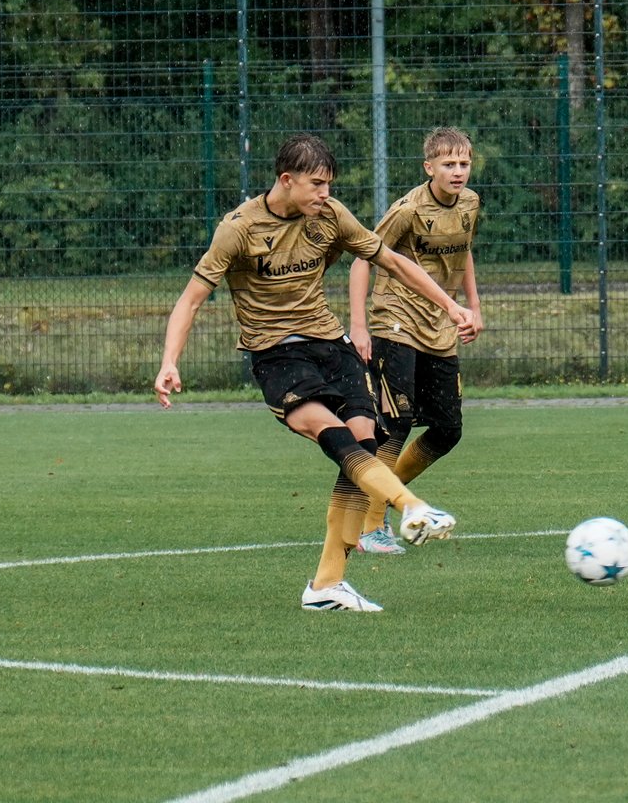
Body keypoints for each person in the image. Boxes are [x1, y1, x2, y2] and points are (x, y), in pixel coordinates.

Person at [154, 133, 478, 612]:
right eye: (317, 184)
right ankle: (409, 505)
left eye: (329, 184)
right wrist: (168, 361)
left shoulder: (330, 215)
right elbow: (192, 297)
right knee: (334, 435)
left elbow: (391, 261)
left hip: (330, 344)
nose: (325, 194)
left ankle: (326, 586)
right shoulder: (238, 228)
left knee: (365, 441)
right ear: (286, 180)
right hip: (276, 352)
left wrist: (451, 305)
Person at [348, 126, 482, 554]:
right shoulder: (408, 209)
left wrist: (473, 309)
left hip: (440, 325)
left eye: (463, 163)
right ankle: (371, 526)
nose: (458, 171)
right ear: (429, 167)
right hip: (395, 320)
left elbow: (463, 254)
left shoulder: (470, 203)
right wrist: (359, 325)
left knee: (447, 430)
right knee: (397, 421)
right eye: (448, 164)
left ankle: (387, 496)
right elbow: (361, 260)